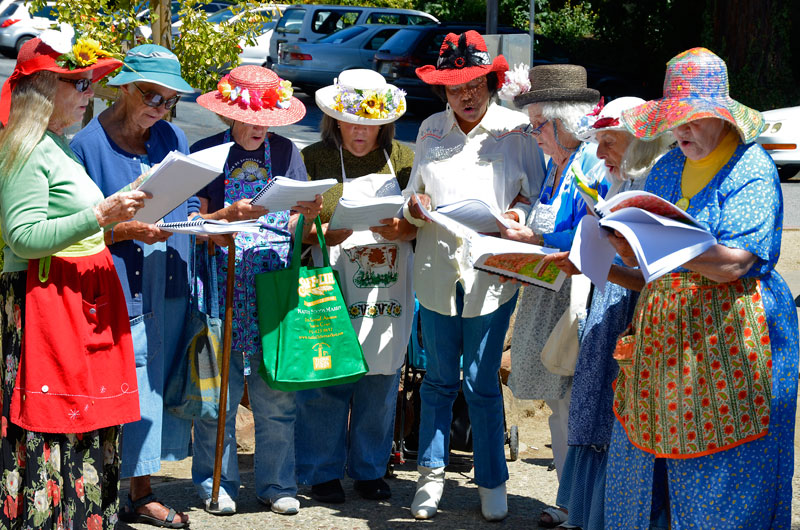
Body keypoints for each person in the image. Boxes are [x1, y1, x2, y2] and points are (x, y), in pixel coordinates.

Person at [605, 47, 798, 528]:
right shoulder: (669, 167)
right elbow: (654, 269)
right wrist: (612, 258)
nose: (681, 130)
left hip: (730, 345)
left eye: (691, 119)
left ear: (720, 116)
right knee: (649, 470)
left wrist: (660, 242)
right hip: (665, 350)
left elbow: (734, 265)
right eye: (675, 121)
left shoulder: (751, 168)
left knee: (725, 478)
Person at [0, 33, 148, 529]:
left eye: (92, 83)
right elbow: (23, 237)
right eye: (80, 83)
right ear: (45, 88)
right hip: (38, 300)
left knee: (83, 418)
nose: (91, 92)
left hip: (71, 296)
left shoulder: (56, 144)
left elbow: (79, 218)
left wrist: (121, 204)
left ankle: (82, 517)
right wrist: (99, 215)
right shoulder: (25, 147)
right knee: (49, 423)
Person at [403, 30, 546, 521]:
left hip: (491, 271)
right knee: (439, 380)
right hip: (437, 267)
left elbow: (536, 196)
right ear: (442, 90)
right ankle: (429, 477)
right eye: (454, 86)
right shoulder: (429, 130)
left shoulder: (517, 132)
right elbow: (413, 195)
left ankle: (491, 480)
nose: (466, 95)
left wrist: (520, 215)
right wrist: (416, 205)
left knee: (481, 381)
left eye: (475, 84)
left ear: (491, 80)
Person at [70, 44, 197, 528]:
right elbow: (73, 228)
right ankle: (102, 492)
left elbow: (183, 208)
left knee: (157, 387)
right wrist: (124, 229)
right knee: (123, 388)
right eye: (151, 95)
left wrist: (214, 220)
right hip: (118, 284)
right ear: (123, 87)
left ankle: (141, 492)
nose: (159, 108)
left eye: (169, 100)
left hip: (168, 278)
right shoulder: (88, 146)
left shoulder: (173, 137)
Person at [191, 64, 322, 516]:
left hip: (273, 284)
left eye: (266, 120)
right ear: (229, 114)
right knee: (218, 398)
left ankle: (275, 482)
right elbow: (193, 221)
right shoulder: (206, 152)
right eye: (248, 118)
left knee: (276, 393)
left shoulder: (288, 152)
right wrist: (224, 220)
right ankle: (216, 481)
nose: (256, 128)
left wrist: (307, 216)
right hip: (220, 285)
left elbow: (293, 224)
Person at [541, 97, 673, 529]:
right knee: (598, 411)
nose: (600, 154)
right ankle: (593, 514)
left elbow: (653, 273)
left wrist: (606, 265)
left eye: (608, 142)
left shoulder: (656, 186)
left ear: (639, 142)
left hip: (635, 319)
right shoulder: (623, 182)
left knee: (618, 420)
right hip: (611, 310)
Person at [295, 69, 415, 504]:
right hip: (331, 278)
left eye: (369, 121)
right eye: (350, 119)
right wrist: (319, 233)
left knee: (381, 381)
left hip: (389, 289)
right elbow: (294, 222)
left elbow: (422, 221)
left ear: (384, 123)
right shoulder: (312, 158)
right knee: (328, 377)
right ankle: (322, 472)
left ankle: (369, 468)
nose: (360, 129)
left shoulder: (404, 158)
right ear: (335, 119)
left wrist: (406, 229)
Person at [500, 63, 606, 528]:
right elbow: (552, 225)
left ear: (565, 123)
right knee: (558, 400)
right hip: (550, 290)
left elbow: (594, 235)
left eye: (538, 124)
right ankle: (569, 500)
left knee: (572, 398)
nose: (534, 133)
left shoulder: (592, 163)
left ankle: (575, 503)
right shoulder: (556, 164)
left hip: (576, 293)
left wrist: (537, 243)